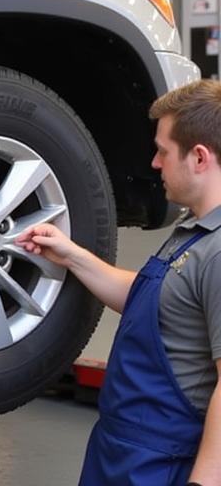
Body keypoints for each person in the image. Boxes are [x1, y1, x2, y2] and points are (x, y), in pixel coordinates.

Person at [16, 80, 221, 485]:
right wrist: (72, 255)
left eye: (163, 151)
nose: (154, 164)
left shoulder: (218, 251)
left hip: (161, 461)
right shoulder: (193, 232)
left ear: (199, 157)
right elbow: (153, 302)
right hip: (121, 445)